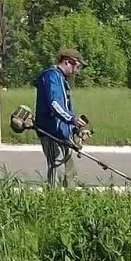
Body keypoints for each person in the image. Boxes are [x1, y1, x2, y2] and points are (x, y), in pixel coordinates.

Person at [34, 48, 87, 188]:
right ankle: (54, 199)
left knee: (70, 170)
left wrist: (74, 128)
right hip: (51, 131)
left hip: (63, 133)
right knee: (56, 166)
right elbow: (54, 104)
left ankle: (70, 200)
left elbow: (65, 106)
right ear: (68, 62)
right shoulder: (51, 76)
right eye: (78, 67)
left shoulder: (61, 79)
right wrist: (72, 119)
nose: (77, 71)